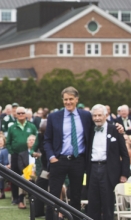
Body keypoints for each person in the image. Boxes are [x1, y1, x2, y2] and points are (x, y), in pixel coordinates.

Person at [43, 87, 94, 220]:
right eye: (65, 99)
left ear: (77, 99)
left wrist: (118, 128)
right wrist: (52, 157)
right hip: (59, 160)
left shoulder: (86, 116)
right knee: (53, 195)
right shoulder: (54, 117)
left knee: (76, 195)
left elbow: (98, 127)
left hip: (78, 160)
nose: (68, 102)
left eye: (71, 99)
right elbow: (47, 140)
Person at [86, 104, 129, 220]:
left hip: (109, 170)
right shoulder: (90, 130)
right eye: (94, 116)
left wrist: (124, 174)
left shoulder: (115, 130)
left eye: (99, 115)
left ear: (106, 115)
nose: (97, 118)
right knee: (93, 204)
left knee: (108, 204)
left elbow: (124, 154)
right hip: (93, 169)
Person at [6, 105, 38, 207]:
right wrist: (12, 152)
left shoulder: (32, 126)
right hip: (16, 155)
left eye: (22, 113)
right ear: (15, 115)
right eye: (18, 113)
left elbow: (36, 140)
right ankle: (16, 198)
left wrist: (33, 150)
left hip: (29, 154)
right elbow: (8, 142)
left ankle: (31, 196)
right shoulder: (12, 127)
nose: (20, 115)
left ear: (26, 114)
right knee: (15, 176)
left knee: (30, 175)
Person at [0, 136, 10, 200]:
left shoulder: (16, 151)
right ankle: (2, 192)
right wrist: (6, 166)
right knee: (0, 174)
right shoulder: (3, 151)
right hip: (5, 170)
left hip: (15, 169)